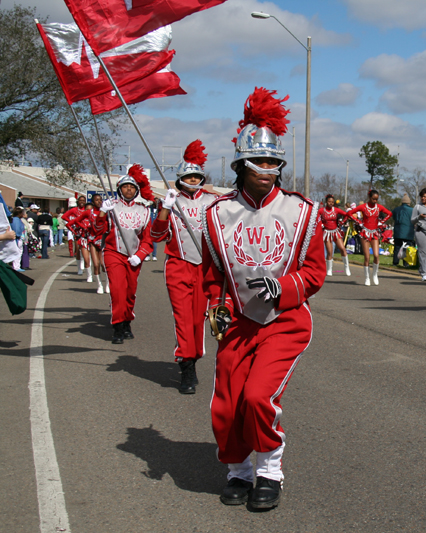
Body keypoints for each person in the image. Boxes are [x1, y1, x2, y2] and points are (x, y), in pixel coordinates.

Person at [201, 87, 325, 510]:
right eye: (259, 161)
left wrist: (283, 288)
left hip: (284, 322)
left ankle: (270, 470)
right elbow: (214, 274)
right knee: (226, 405)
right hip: (238, 323)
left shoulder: (302, 211)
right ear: (241, 164)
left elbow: (314, 273)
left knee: (258, 397)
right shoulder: (217, 214)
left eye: (274, 162)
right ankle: (238, 471)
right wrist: (217, 305)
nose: (267, 170)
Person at [151, 140, 217, 394]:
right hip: (178, 265)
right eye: (188, 176)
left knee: (199, 320)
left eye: (196, 176)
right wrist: (165, 209)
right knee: (183, 318)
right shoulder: (171, 201)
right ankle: (186, 365)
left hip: (204, 267)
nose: (192, 180)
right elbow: (157, 236)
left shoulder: (213, 201)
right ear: (179, 178)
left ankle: (194, 358)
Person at [95, 165, 154, 344]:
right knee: (118, 291)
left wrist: (140, 255)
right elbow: (98, 230)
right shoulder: (111, 207)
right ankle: (118, 326)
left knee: (130, 292)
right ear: (119, 189)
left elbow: (148, 239)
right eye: (125, 187)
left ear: (136, 190)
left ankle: (127, 321)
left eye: (132, 187)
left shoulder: (144, 210)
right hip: (114, 253)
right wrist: (102, 212)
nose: (128, 190)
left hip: (134, 256)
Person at [348, 190, 392, 286]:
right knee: (367, 257)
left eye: (377, 199)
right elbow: (350, 213)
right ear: (369, 197)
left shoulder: (379, 207)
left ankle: (375, 275)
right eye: (373, 199)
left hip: (375, 232)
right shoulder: (363, 207)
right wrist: (358, 221)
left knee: (376, 255)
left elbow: (389, 213)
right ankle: (367, 277)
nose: (375, 201)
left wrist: (381, 222)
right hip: (365, 233)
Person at [74, 194, 109, 293]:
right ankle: (99, 285)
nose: (99, 201)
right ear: (93, 202)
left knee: (103, 264)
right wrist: (85, 227)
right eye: (97, 200)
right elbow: (76, 221)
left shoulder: (106, 212)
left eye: (100, 200)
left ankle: (107, 284)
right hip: (93, 240)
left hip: (103, 240)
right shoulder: (89, 212)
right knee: (96, 264)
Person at [320, 194, 351, 276]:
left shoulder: (336, 210)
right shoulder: (322, 210)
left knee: (342, 249)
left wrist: (342, 222)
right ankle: (329, 269)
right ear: (326, 202)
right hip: (327, 233)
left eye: (332, 202)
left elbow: (347, 214)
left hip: (335, 232)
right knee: (329, 251)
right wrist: (321, 224)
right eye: (329, 201)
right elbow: (315, 217)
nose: (331, 203)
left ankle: (346, 267)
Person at [64, 195, 91, 275]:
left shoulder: (88, 209)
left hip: (88, 232)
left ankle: (87, 266)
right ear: (77, 202)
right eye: (80, 200)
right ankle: (79, 268)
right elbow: (64, 216)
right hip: (78, 232)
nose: (82, 202)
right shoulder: (74, 210)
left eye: (83, 200)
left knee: (88, 250)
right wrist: (73, 223)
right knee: (78, 249)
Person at [391, 194, 414, 267]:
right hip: (408, 232)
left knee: (397, 247)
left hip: (398, 231)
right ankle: (405, 263)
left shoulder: (396, 209)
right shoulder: (412, 210)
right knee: (406, 248)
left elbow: (393, 217)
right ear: (408, 202)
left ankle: (395, 262)